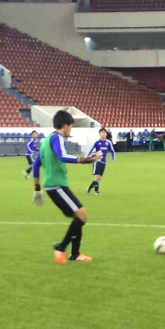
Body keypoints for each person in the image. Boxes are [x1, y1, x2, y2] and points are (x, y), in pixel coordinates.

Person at [32, 110, 102, 264]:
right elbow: (63, 156)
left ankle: (75, 254)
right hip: (57, 186)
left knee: (78, 220)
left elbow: (36, 166)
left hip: (52, 187)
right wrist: (86, 160)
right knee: (83, 217)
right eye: (71, 126)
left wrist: (37, 189)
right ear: (65, 125)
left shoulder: (46, 140)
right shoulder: (57, 137)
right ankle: (61, 247)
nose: (71, 129)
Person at [86, 128, 116, 195]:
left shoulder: (108, 142)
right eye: (102, 132)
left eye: (104, 132)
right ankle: (96, 192)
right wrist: (86, 157)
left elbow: (112, 151)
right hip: (97, 161)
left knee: (99, 179)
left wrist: (113, 157)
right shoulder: (96, 142)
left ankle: (89, 188)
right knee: (97, 177)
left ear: (106, 134)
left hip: (104, 162)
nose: (103, 134)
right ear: (99, 134)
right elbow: (90, 149)